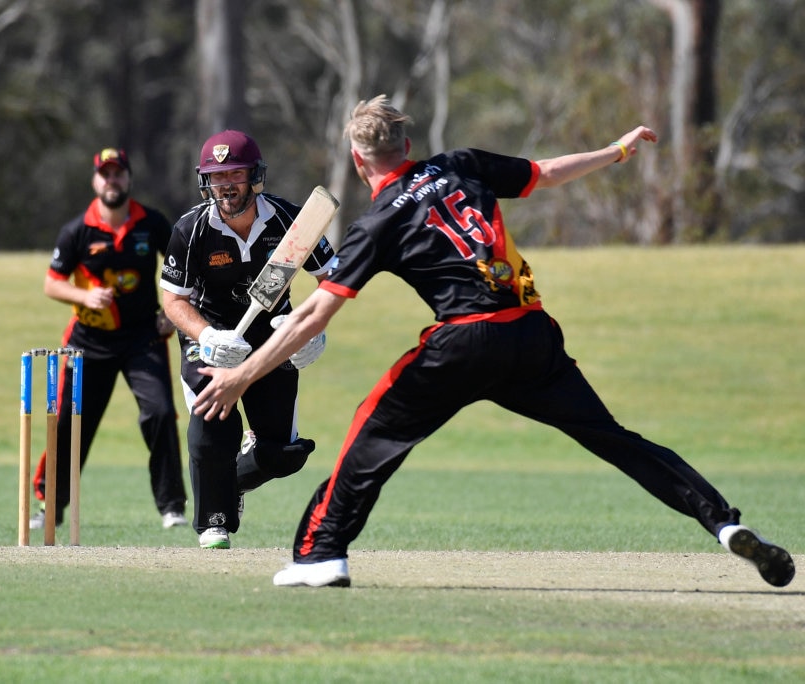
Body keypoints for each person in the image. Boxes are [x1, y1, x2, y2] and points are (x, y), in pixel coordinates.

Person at [191, 96, 795, 588]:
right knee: (616, 440)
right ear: (407, 147)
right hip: (531, 335)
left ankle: (321, 554)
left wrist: (242, 376)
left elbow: (311, 317)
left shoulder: (376, 224)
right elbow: (548, 172)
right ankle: (720, 522)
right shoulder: (461, 164)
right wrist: (616, 150)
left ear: (357, 161)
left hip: (462, 341)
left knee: (371, 432)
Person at [160, 129, 336, 550]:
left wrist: (312, 328)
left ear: (255, 176)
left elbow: (333, 278)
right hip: (210, 336)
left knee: (283, 454)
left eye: (234, 175)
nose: (225, 186)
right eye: (216, 177)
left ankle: (231, 482)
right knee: (211, 426)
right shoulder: (190, 230)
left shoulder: (292, 221)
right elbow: (173, 301)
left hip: (274, 337)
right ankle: (213, 522)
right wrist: (207, 335)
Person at [30, 146, 188, 532]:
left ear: (129, 179)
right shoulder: (77, 230)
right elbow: (52, 284)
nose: (111, 180)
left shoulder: (151, 223)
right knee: (69, 422)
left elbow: (183, 269)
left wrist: (171, 314)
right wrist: (84, 296)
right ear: (95, 180)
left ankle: (172, 507)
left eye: (118, 173)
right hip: (88, 341)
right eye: (105, 173)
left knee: (161, 413)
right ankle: (50, 505)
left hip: (142, 339)